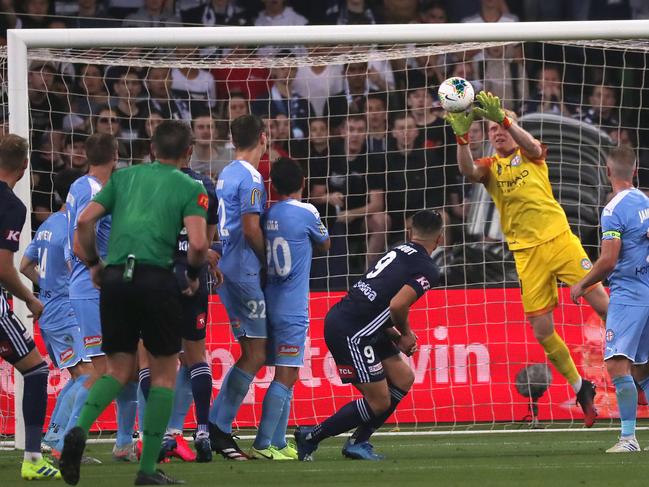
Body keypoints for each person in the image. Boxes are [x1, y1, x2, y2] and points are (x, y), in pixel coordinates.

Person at [446, 91, 610, 426]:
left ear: (513, 126)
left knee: (604, 305)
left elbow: (534, 146)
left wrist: (506, 119)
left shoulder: (530, 154)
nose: (497, 133)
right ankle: (582, 387)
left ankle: (640, 368)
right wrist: (462, 138)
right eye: (491, 130)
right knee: (541, 328)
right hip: (525, 254)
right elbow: (467, 170)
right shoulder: (491, 167)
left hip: (560, 241)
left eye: (501, 127)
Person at [59, 120, 209, 485]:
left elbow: (83, 221)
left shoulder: (122, 179)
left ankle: (77, 431)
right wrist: (191, 276)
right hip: (157, 281)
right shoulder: (191, 186)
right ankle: (147, 471)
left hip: (115, 281)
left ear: (152, 149)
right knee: (163, 375)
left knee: (116, 371)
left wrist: (95, 264)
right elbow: (200, 244)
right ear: (188, 152)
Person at [294, 209, 442, 461]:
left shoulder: (396, 251)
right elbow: (397, 305)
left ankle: (358, 441)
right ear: (440, 239)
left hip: (354, 320)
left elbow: (376, 302)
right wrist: (405, 334)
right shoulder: (427, 269)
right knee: (379, 401)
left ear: (410, 231)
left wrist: (395, 337)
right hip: (352, 332)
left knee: (403, 378)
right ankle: (311, 435)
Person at [251, 158, 330, 460]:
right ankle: (262, 444)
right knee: (285, 375)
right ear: (303, 183)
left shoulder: (267, 214)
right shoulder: (307, 211)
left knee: (287, 374)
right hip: (293, 307)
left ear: (273, 186)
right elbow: (325, 244)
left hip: (268, 301)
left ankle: (279, 442)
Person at [65, 133, 139, 461]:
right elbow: (80, 244)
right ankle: (64, 442)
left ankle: (124, 442)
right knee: (100, 371)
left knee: (129, 368)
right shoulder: (94, 190)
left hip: (106, 289)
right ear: (116, 155)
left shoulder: (81, 187)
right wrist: (98, 265)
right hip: (91, 288)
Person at [570, 147, 649, 453]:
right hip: (646, 288)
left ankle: (628, 439)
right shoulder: (645, 201)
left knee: (618, 365)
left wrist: (583, 284)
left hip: (629, 294)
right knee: (642, 369)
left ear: (607, 172)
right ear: (635, 169)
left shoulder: (612, 210)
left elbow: (608, 260)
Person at [20, 168, 99, 461]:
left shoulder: (47, 224)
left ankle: (55, 438)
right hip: (65, 310)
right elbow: (72, 262)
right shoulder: (70, 225)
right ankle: (61, 444)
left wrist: (47, 289)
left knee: (79, 375)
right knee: (88, 375)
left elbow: (24, 265)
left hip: (49, 310)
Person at [154, 124, 221, 463]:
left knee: (157, 359)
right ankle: (204, 431)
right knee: (197, 356)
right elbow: (208, 243)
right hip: (194, 276)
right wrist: (201, 266)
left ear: (155, 151)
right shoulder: (205, 184)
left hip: (159, 278)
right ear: (189, 151)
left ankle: (154, 435)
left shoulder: (147, 184)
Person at [208, 114, 268, 460]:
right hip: (244, 274)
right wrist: (270, 263)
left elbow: (223, 223)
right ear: (264, 136)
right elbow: (249, 228)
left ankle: (215, 424)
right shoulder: (251, 176)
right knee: (256, 353)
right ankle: (219, 428)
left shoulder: (226, 172)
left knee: (250, 351)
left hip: (227, 271)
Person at [0, 134, 60, 480]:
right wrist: (31, 298)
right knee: (36, 371)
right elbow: (4, 267)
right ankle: (33, 458)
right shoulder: (11, 206)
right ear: (24, 167)